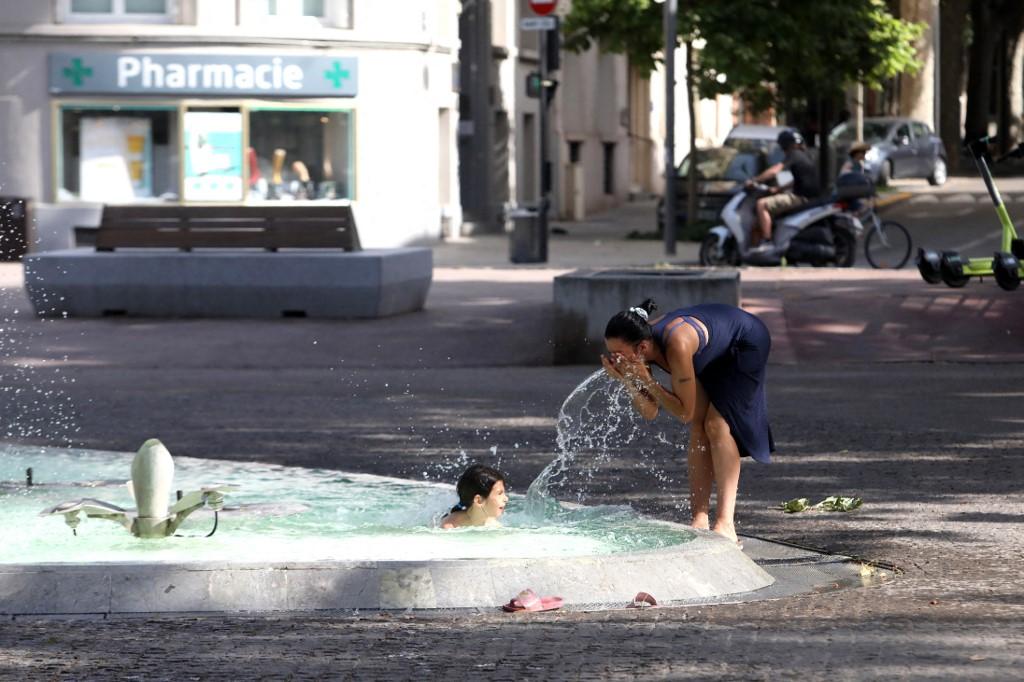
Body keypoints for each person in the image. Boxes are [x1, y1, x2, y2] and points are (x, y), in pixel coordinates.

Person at [601, 299, 774, 545]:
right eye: (611, 353)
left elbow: (683, 412)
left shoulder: (677, 344)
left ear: (642, 347)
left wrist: (646, 380)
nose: (616, 359)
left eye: (619, 354)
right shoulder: (640, 349)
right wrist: (628, 379)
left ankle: (725, 524)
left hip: (745, 343)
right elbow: (650, 411)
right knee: (699, 427)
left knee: (716, 425)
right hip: (712, 350)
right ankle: (699, 519)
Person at [746, 130, 821, 246]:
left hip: (800, 197)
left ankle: (767, 242)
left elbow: (774, 171)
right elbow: (798, 180)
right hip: (808, 197)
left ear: (784, 145)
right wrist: (779, 189)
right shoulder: (805, 156)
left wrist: (754, 180)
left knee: (761, 204)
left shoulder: (794, 154)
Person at [439, 464, 509, 529]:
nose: (506, 499)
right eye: (499, 493)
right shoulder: (449, 527)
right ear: (479, 500)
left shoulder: (493, 524)